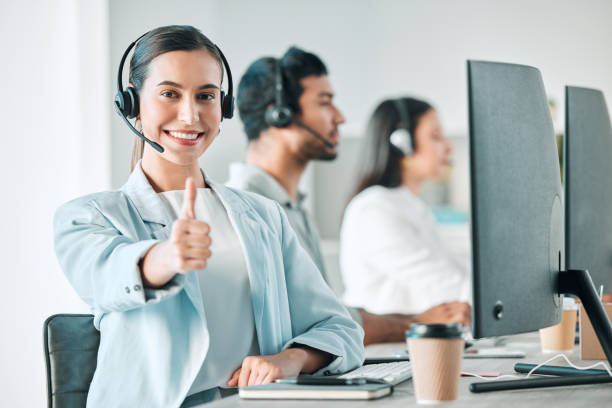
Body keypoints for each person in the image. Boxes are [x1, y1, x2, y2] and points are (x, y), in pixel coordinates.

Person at [53, 26, 363, 408]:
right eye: (169, 94)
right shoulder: (88, 216)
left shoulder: (263, 215)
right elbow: (108, 276)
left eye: (206, 96)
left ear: (224, 107)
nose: (190, 114)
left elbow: (340, 329)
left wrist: (290, 360)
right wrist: (167, 256)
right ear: (132, 104)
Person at [227, 47, 470, 346]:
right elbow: (306, 325)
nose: (340, 118)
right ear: (280, 115)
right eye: (325, 102)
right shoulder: (244, 209)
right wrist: (416, 322)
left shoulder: (293, 209)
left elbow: (326, 317)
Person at [340, 97, 471, 316]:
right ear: (402, 144)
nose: (448, 148)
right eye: (436, 136)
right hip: (384, 347)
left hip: (412, 345)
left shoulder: (416, 209)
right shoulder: (374, 208)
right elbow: (449, 287)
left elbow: (459, 274)